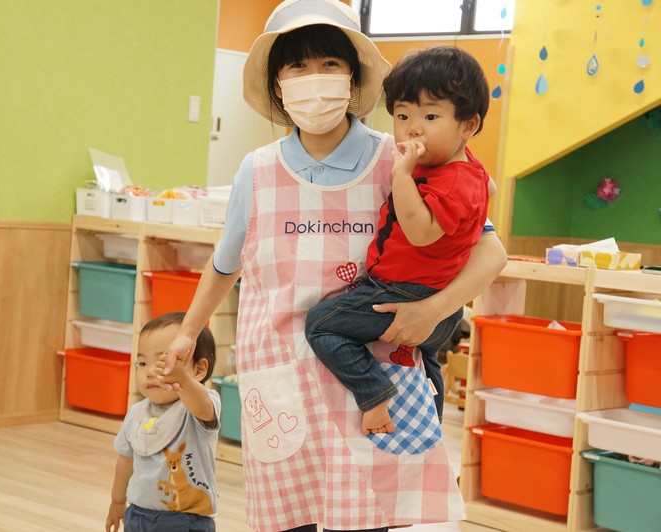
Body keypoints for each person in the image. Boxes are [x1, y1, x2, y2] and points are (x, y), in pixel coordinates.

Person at [163, 1, 508, 530]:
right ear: (278, 86)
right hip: (283, 377)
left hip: (373, 375)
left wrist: (435, 310)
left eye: (329, 64)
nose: (314, 79)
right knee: (290, 519)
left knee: (365, 518)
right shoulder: (256, 170)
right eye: (297, 67)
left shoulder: (402, 157)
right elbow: (225, 263)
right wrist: (189, 331)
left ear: (352, 78)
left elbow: (490, 250)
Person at [305, 45, 494, 435]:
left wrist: (402, 176)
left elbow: (420, 232)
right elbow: (489, 187)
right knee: (426, 362)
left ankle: (374, 393)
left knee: (321, 325)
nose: (413, 129)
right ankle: (429, 426)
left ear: (468, 125)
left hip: (403, 292)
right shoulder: (466, 169)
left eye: (430, 116)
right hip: (440, 303)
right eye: (403, 116)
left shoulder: (445, 179)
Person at [106, 312, 220, 532]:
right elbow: (125, 460)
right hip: (138, 514)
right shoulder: (136, 413)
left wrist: (182, 379)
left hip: (185, 520)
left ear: (198, 370)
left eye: (162, 363)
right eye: (142, 363)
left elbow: (202, 406)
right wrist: (117, 501)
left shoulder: (198, 407)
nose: (150, 372)